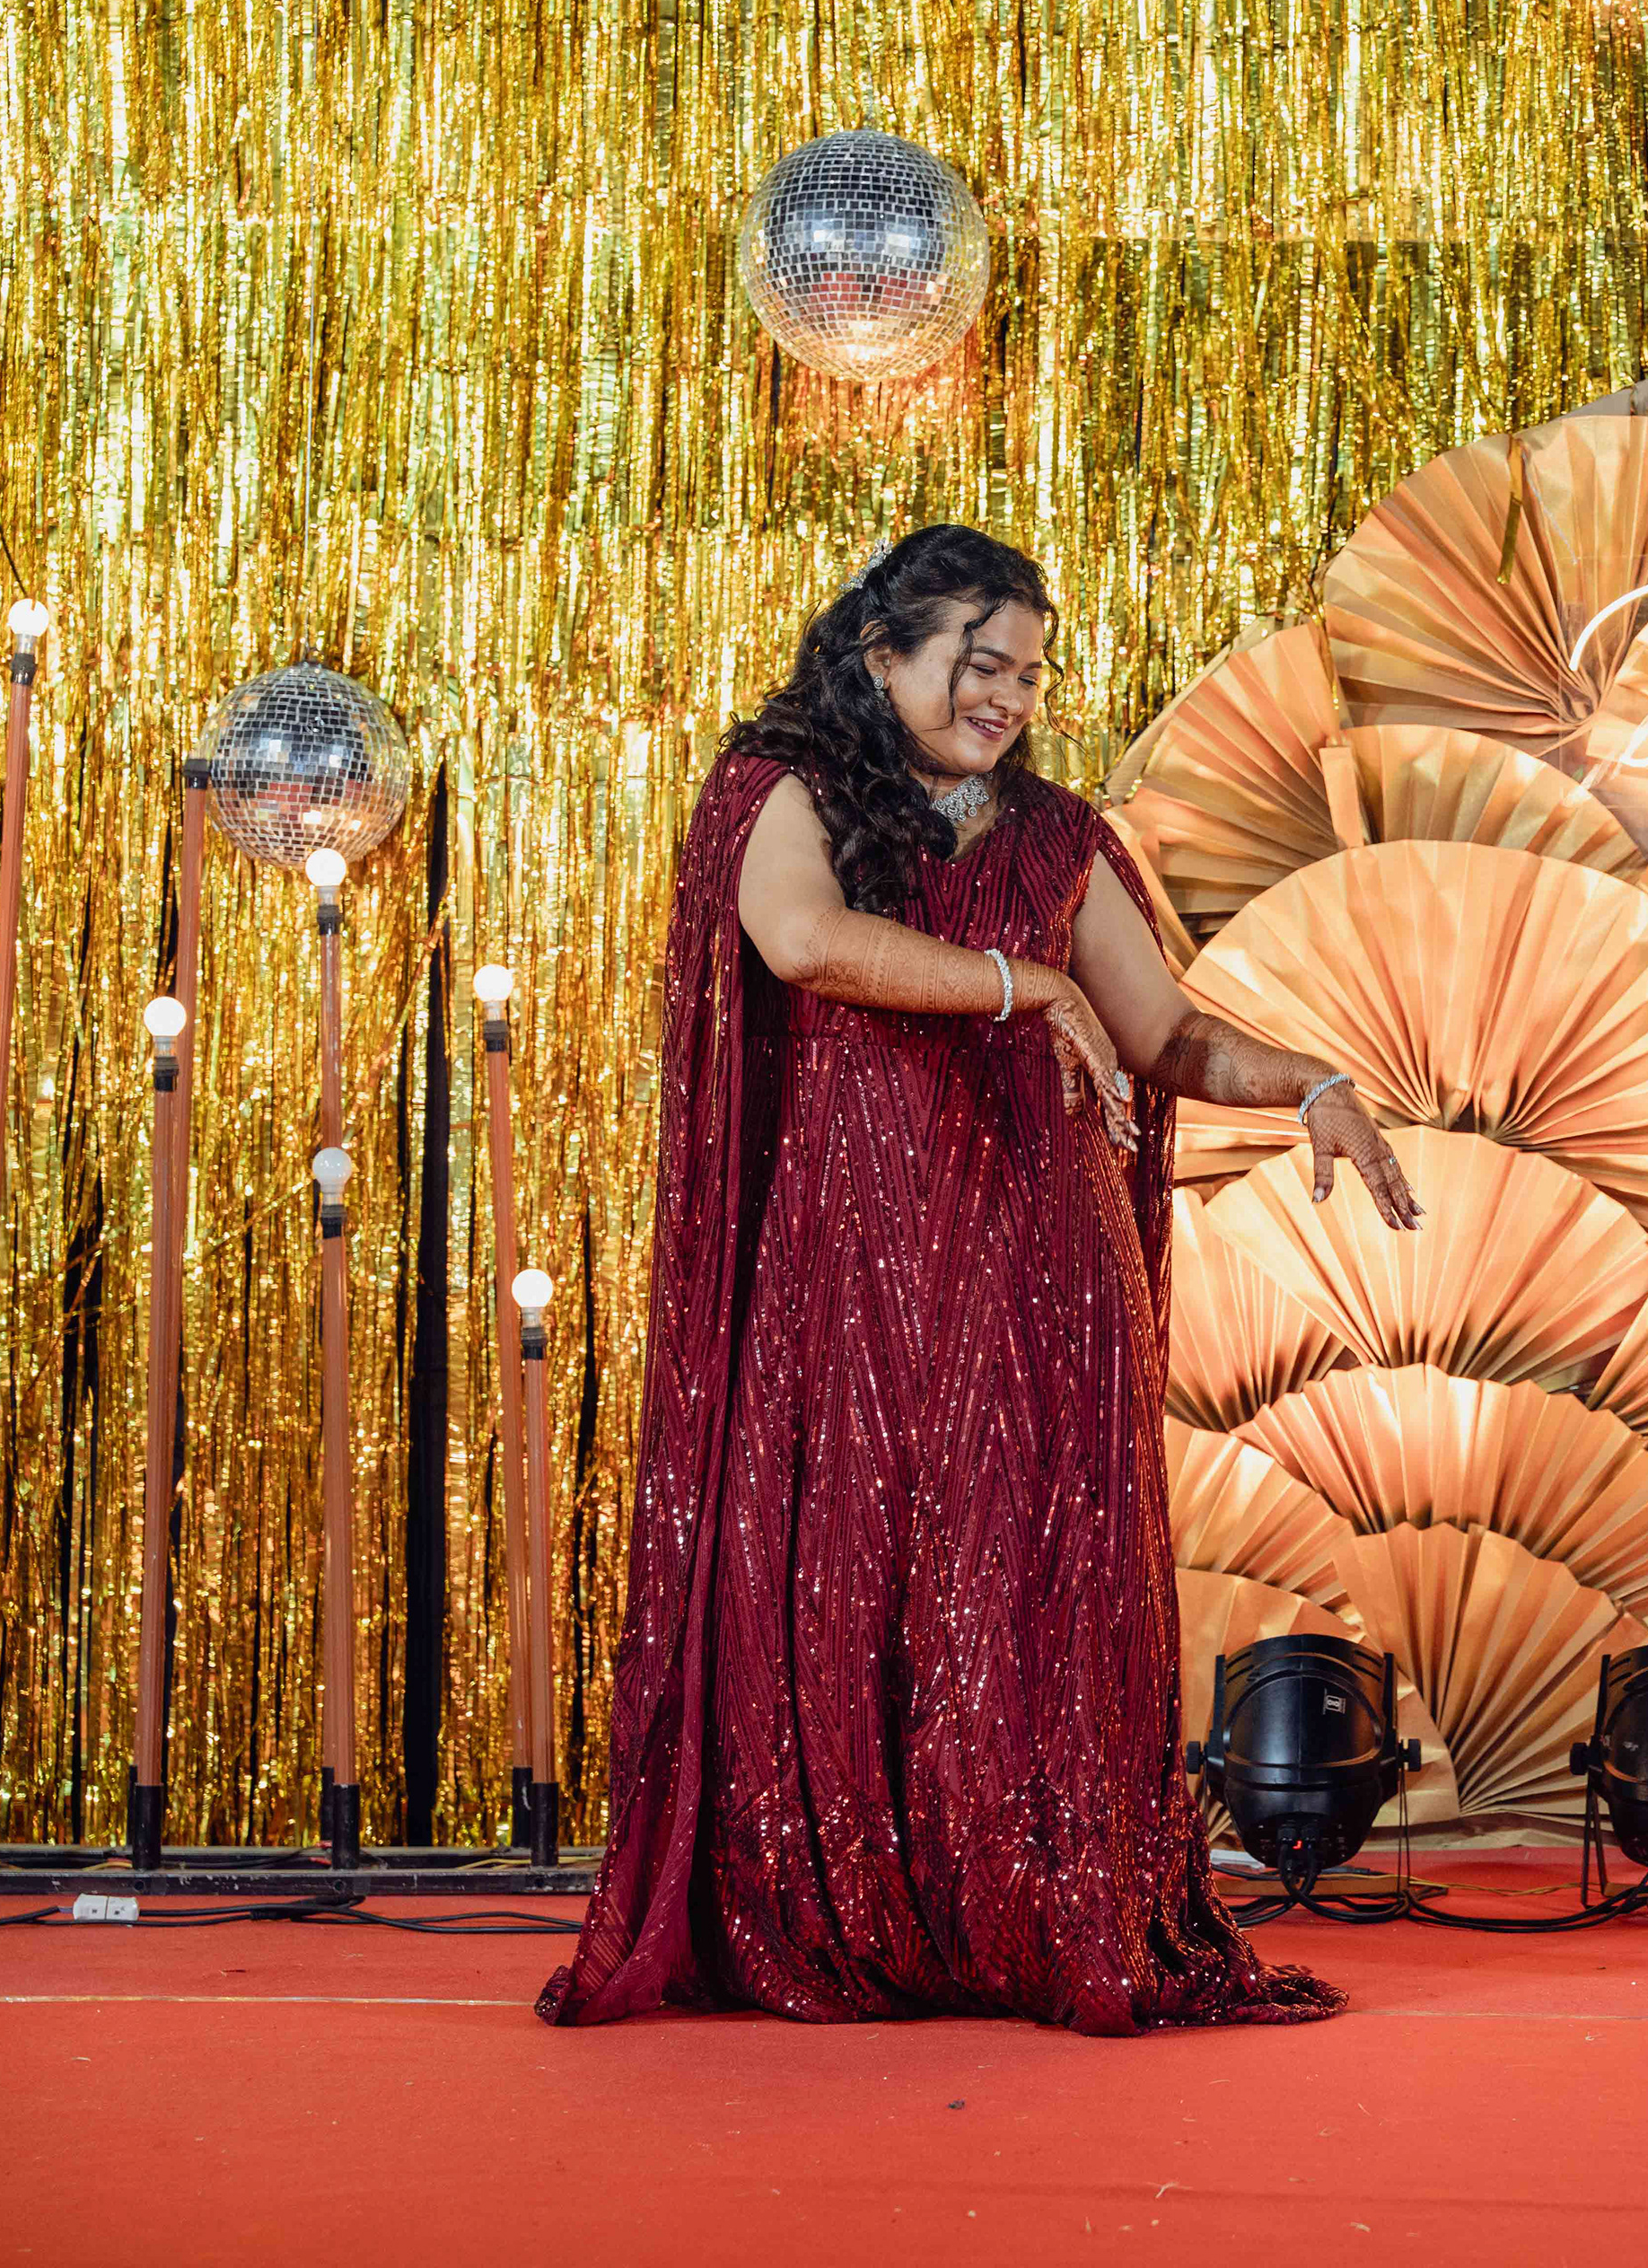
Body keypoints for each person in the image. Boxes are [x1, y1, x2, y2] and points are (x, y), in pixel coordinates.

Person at [541, 524, 1420, 2031]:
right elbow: (804, 941)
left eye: (1027, 673)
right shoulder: (782, 791)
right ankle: (854, 1905)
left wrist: (1313, 1081)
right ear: (881, 654)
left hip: (1040, 1271)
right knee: (848, 1568)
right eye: (979, 663)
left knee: (1026, 1575)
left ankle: (1024, 1910)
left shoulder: (1055, 835)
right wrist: (1026, 984)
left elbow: (1166, 1039)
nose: (1006, 696)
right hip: (847, 1278)